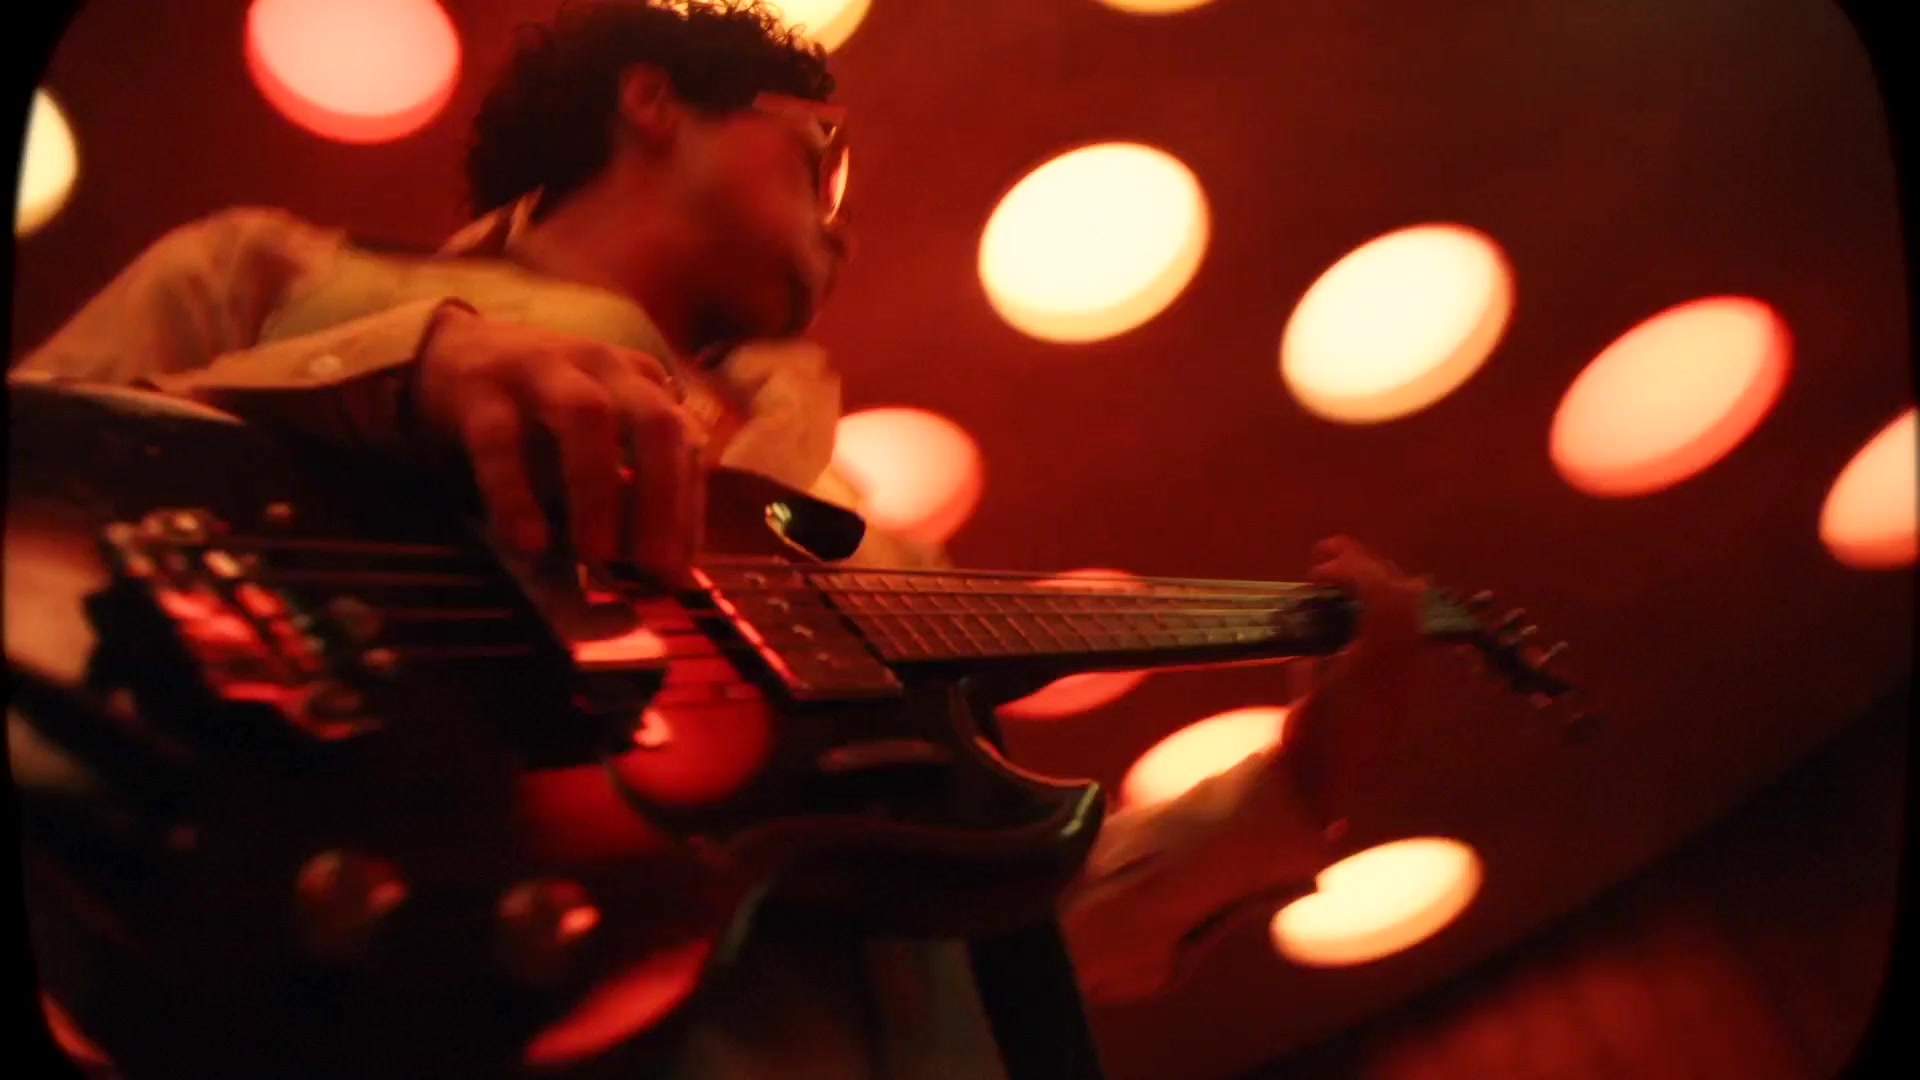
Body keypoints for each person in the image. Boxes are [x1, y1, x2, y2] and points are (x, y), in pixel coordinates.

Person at [12, 2, 1432, 1076]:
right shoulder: (268, 271)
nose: (843, 230)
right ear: (652, 100)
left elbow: (991, 930)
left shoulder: (875, 549)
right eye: (821, 158)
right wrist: (402, 371)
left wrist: (1295, 789)